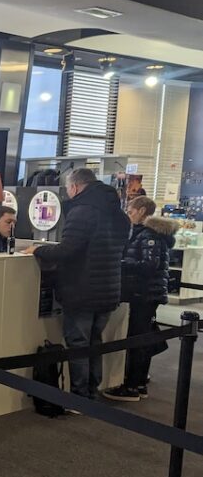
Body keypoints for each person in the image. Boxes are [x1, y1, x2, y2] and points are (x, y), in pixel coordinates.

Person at [24, 167, 130, 400]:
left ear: (75, 187)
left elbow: (68, 249)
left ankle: (80, 396)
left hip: (81, 290)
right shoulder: (118, 213)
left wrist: (38, 249)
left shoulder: (83, 211)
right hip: (108, 289)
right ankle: (92, 390)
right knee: (95, 342)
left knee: (79, 344)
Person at [103, 196, 179, 402]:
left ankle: (132, 386)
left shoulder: (148, 234)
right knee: (142, 336)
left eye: (131, 210)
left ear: (142, 210)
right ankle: (139, 381)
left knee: (137, 338)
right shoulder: (145, 233)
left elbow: (148, 265)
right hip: (145, 293)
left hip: (144, 293)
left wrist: (121, 262)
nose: (129, 214)